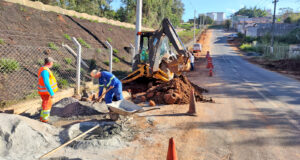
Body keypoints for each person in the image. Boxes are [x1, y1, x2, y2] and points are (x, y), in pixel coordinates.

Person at [37, 57, 58, 123]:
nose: (53, 63)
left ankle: (42, 117)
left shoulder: (43, 68)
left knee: (45, 103)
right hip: (46, 92)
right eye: (52, 62)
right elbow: (46, 83)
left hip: (44, 91)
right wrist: (51, 93)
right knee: (47, 105)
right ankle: (45, 119)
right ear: (50, 63)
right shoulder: (45, 71)